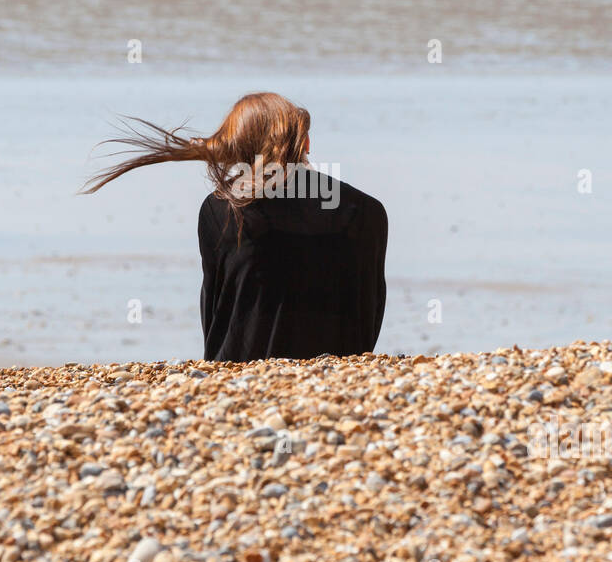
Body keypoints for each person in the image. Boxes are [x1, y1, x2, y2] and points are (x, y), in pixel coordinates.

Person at [82, 92, 387, 361]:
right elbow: (371, 309)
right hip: (341, 365)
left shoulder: (222, 209)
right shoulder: (368, 211)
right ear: (306, 142)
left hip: (241, 367)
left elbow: (214, 306)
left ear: (235, 148)